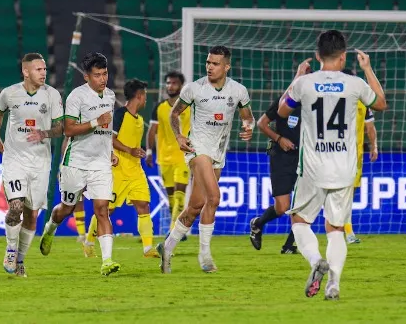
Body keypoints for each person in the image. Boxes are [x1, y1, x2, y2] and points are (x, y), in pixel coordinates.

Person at [278, 30, 386, 300]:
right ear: (344, 56)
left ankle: (316, 261)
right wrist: (367, 68)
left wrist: (297, 76)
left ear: (317, 56)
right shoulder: (354, 83)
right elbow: (381, 103)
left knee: (299, 221)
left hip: (312, 169)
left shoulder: (305, 84)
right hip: (344, 168)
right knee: (336, 228)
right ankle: (333, 284)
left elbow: (282, 110)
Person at [157, 45, 255, 274]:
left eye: (215, 63)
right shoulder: (194, 89)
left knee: (195, 207)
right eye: (208, 62)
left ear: (226, 67)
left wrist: (248, 126)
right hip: (196, 149)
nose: (209, 67)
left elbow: (248, 116)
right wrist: (179, 135)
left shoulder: (238, 91)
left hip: (218, 153)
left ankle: (167, 247)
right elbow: (174, 114)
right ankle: (205, 255)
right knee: (214, 197)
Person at [38, 52, 122, 276]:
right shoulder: (77, 96)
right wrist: (96, 121)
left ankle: (107, 261)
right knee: (66, 208)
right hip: (76, 162)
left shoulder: (110, 96)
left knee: (102, 209)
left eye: (105, 74)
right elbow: (68, 130)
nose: (103, 79)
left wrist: (111, 152)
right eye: (97, 75)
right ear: (86, 77)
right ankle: (50, 228)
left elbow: (106, 131)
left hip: (100, 164)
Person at [0, 53, 63, 277]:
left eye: (45, 69)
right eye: (39, 69)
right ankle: (11, 250)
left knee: (31, 215)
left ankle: (20, 259)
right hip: (15, 159)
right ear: (26, 71)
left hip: (40, 162)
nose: (43, 73)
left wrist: (44, 133)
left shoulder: (52, 95)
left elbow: (61, 128)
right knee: (16, 206)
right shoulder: (9, 93)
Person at [84, 79, 159, 258]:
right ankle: (89, 242)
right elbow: (110, 139)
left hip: (136, 171)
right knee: (106, 210)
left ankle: (148, 248)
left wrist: (137, 151)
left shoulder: (140, 119)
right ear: (139, 96)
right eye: (144, 96)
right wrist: (130, 150)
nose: (145, 100)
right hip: (117, 171)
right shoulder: (119, 115)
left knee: (143, 205)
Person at [250, 59, 312, 254]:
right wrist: (279, 138)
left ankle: (289, 246)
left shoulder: (314, 105)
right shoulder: (285, 101)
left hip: (305, 159)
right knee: (282, 207)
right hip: (282, 158)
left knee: (303, 205)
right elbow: (261, 124)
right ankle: (258, 224)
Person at [146, 72, 191, 236]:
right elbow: (152, 131)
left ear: (181, 86)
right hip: (164, 158)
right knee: (171, 198)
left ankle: (173, 231)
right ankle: (178, 228)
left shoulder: (190, 107)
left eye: (174, 83)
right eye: (168, 83)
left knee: (179, 196)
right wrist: (149, 151)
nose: (170, 86)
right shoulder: (159, 107)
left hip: (184, 156)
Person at [341, 68, 379, 244]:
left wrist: (374, 146)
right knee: (341, 194)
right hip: (343, 154)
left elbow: (370, 127)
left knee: (347, 193)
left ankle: (346, 230)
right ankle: (344, 231)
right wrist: (374, 147)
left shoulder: (361, 101)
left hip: (351, 154)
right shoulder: (359, 100)